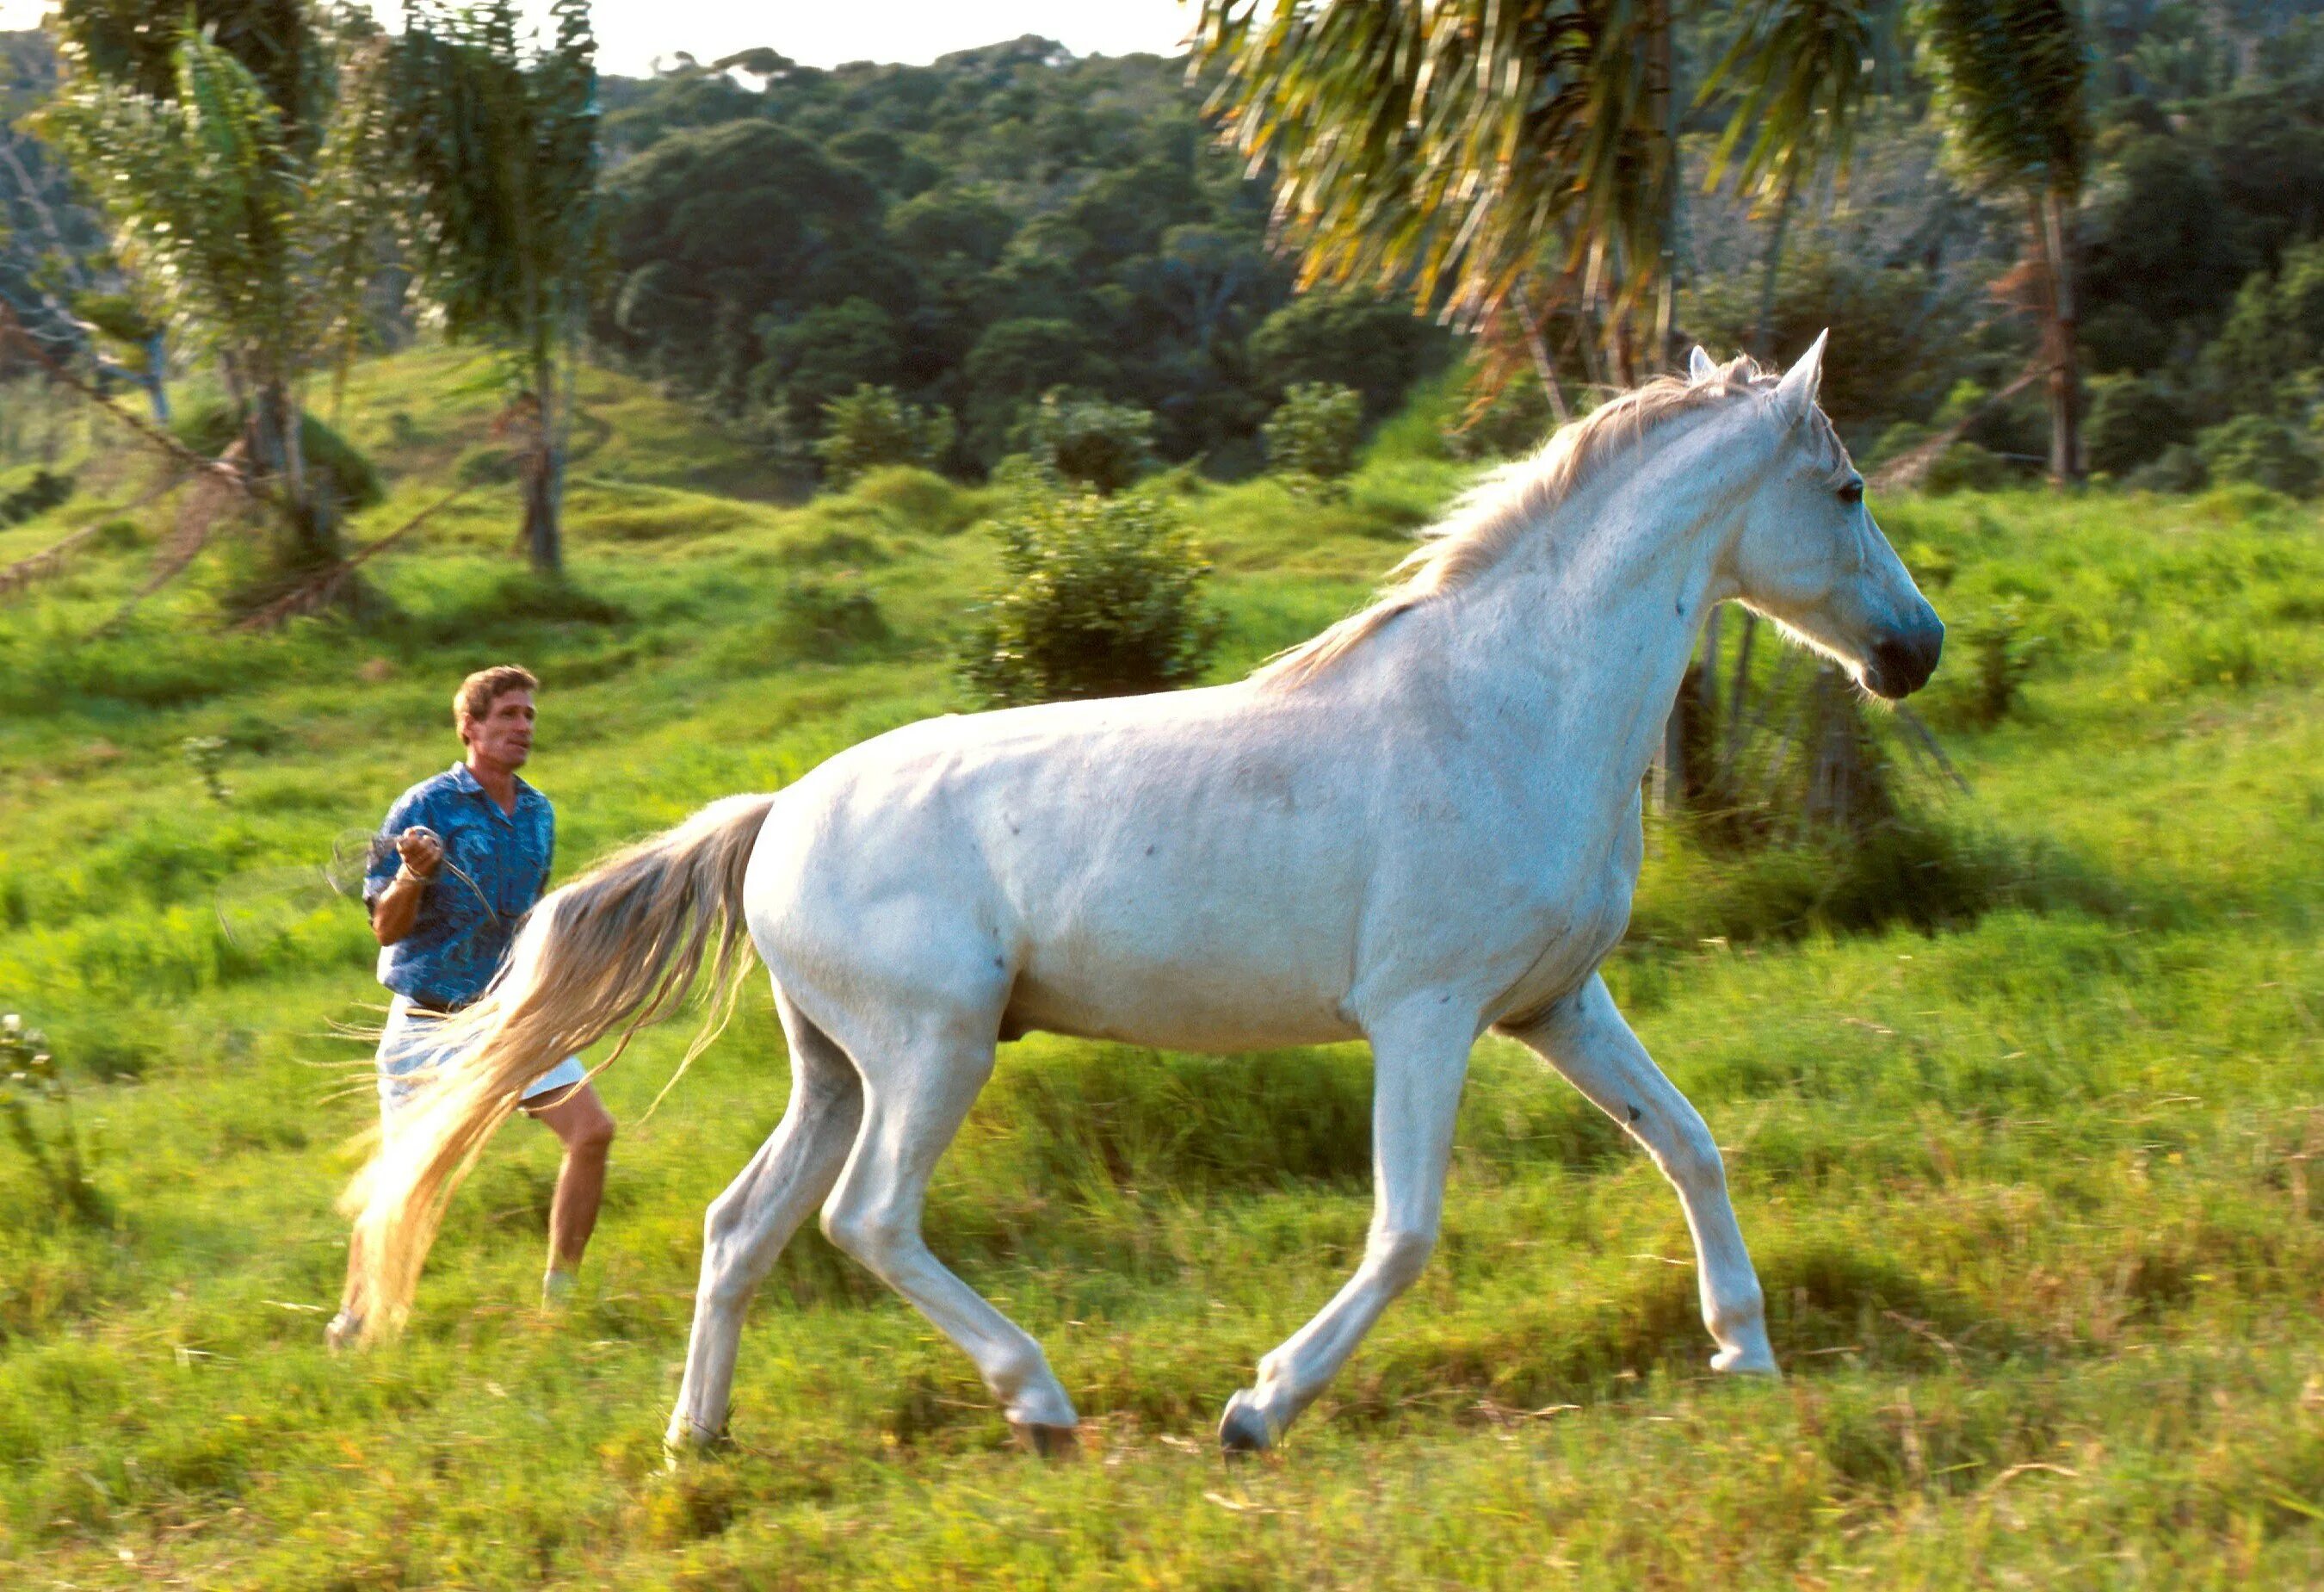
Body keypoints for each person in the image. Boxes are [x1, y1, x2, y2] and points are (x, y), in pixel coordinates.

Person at [338, 665, 615, 1335]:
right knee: (408, 1184)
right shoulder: (423, 806)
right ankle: (355, 1320)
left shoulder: (539, 811)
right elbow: (386, 927)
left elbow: (527, 915)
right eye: (509, 715)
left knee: (592, 1132)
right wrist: (413, 873)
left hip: (514, 1017)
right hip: (431, 1022)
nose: (523, 727)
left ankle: (561, 1297)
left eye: (529, 716)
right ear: (471, 727)